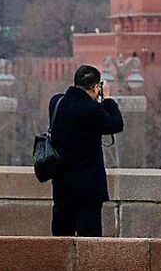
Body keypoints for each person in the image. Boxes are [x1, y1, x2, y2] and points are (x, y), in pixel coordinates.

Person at [48, 65, 124, 237]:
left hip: (61, 185)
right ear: (95, 87)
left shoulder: (56, 102)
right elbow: (117, 124)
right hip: (87, 189)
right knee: (89, 244)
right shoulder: (91, 110)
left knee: (61, 240)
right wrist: (108, 99)